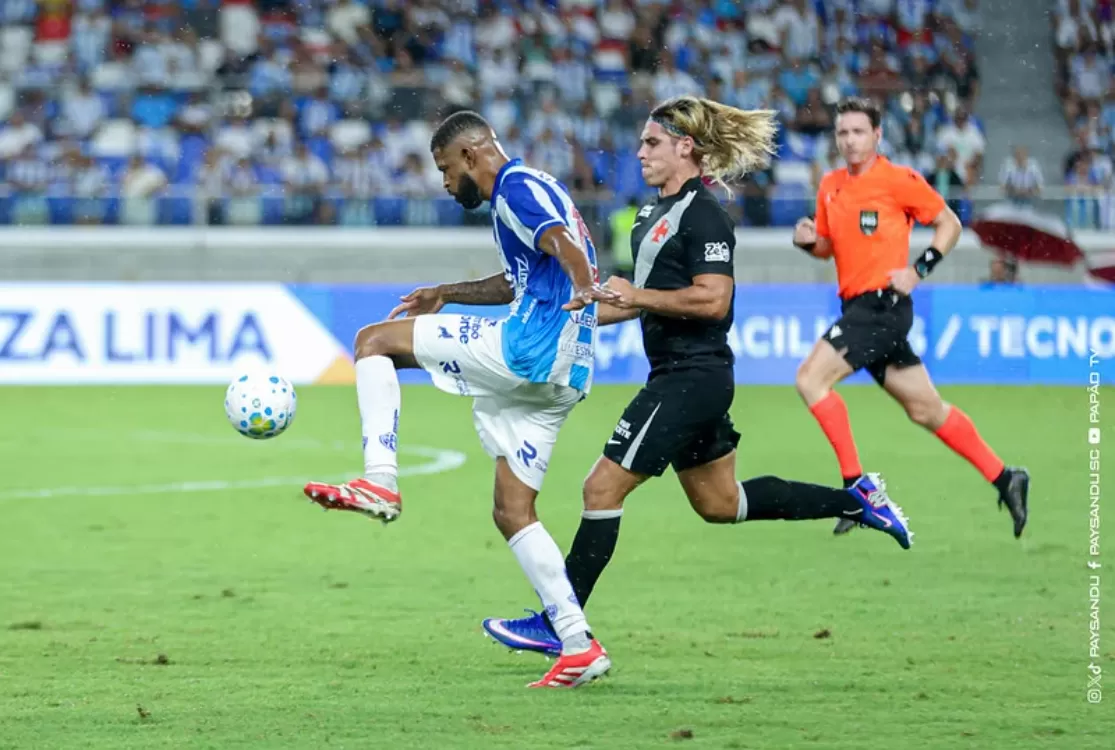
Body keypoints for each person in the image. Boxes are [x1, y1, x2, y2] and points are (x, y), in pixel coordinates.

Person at [480, 96, 913, 658]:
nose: (640, 153)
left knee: (600, 488)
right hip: (684, 375)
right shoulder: (645, 218)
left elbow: (714, 300)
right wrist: (576, 312)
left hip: (692, 375)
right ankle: (858, 503)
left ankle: (562, 622)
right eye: (640, 143)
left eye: (652, 143)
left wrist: (637, 295)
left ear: (686, 148)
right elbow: (630, 302)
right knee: (720, 503)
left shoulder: (704, 214)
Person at [300, 111, 617, 689]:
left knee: (373, 342)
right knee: (512, 510)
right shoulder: (534, 189)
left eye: (446, 170)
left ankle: (380, 479)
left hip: (529, 351)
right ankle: (577, 643)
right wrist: (446, 292)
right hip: (565, 376)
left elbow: (563, 246)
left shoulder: (516, 188)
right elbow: (519, 277)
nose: (446, 184)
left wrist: (582, 284)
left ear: (472, 156)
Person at [790, 97, 1029, 538]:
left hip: (883, 306)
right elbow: (828, 246)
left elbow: (949, 224)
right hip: (860, 308)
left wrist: (919, 270)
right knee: (926, 409)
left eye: (858, 131)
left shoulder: (899, 180)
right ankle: (1005, 477)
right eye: (843, 133)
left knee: (810, 379)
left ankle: (856, 488)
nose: (849, 140)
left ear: (877, 136)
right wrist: (808, 241)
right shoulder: (830, 186)